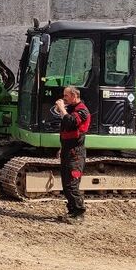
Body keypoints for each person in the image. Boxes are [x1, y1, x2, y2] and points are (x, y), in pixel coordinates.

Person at [52, 85, 91, 219]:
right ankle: (72, 211)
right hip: (68, 150)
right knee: (66, 184)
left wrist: (62, 108)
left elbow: (71, 122)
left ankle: (79, 212)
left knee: (71, 184)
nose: (64, 98)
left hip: (76, 154)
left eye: (66, 96)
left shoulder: (82, 111)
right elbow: (67, 133)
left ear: (74, 96)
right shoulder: (73, 109)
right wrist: (62, 148)